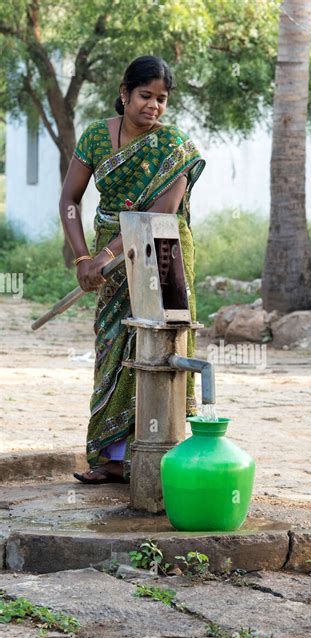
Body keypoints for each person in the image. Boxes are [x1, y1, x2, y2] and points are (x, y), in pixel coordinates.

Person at [59, 55, 206, 484]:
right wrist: (84, 257)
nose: (154, 106)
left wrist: (105, 258)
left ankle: (160, 457)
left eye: (161, 99)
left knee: (158, 348)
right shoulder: (94, 137)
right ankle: (109, 456)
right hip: (108, 254)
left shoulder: (176, 147)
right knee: (113, 347)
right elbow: (70, 199)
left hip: (161, 256)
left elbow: (162, 214)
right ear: (124, 94)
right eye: (145, 95)